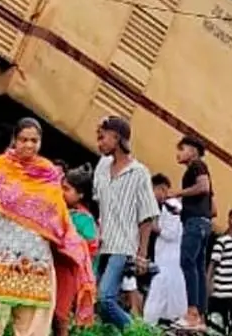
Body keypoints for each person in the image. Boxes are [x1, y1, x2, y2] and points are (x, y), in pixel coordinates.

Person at [0, 118, 96, 335]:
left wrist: (72, 244)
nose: (29, 145)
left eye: (34, 140)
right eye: (23, 139)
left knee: (32, 325)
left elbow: (57, 215)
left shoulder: (48, 173)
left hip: (36, 260)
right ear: (14, 140)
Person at [93, 116, 160, 330]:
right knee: (94, 300)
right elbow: (99, 204)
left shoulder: (139, 172)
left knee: (105, 298)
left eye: (103, 138)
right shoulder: (102, 166)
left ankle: (137, 331)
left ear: (117, 137)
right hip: (102, 244)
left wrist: (141, 254)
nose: (99, 143)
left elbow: (147, 216)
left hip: (123, 246)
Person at [171, 133, 214, 331]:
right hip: (203, 223)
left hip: (195, 224)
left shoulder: (197, 166)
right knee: (197, 268)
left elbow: (203, 187)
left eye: (182, 149)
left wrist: (177, 194)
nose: (178, 153)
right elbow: (213, 209)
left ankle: (192, 313)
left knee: (187, 263)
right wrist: (183, 208)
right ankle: (200, 318)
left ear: (194, 151)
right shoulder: (201, 170)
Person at [59, 166, 101, 334]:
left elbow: (89, 248)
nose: (62, 192)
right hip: (59, 269)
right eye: (61, 187)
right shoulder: (61, 211)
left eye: (67, 189)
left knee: (63, 315)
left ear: (81, 195)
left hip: (75, 274)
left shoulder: (84, 219)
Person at [143, 174, 187, 328]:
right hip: (164, 257)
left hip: (170, 258)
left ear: (161, 188)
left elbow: (170, 233)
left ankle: (147, 326)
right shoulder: (165, 205)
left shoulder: (172, 206)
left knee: (159, 289)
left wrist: (152, 223)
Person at [209, 208, 232, 333]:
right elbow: (213, 265)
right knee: (217, 327)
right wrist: (208, 285)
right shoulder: (221, 241)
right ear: (229, 221)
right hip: (219, 293)